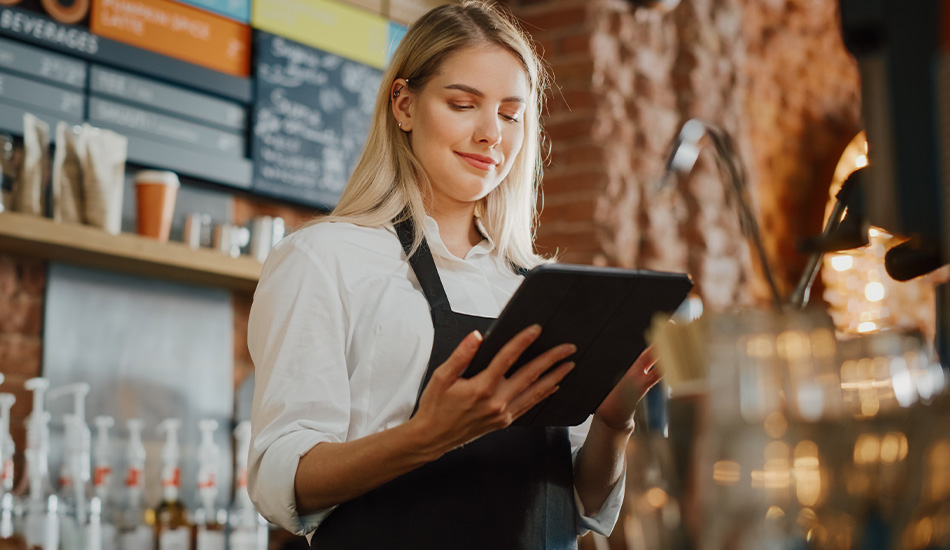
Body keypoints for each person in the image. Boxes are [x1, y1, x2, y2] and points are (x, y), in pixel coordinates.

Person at [247, 2, 660, 548]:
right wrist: (425, 437)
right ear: (404, 105)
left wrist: (612, 422)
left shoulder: (540, 284)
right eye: (464, 104)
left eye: (511, 114)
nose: (492, 133)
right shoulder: (324, 258)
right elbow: (280, 480)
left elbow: (580, 503)